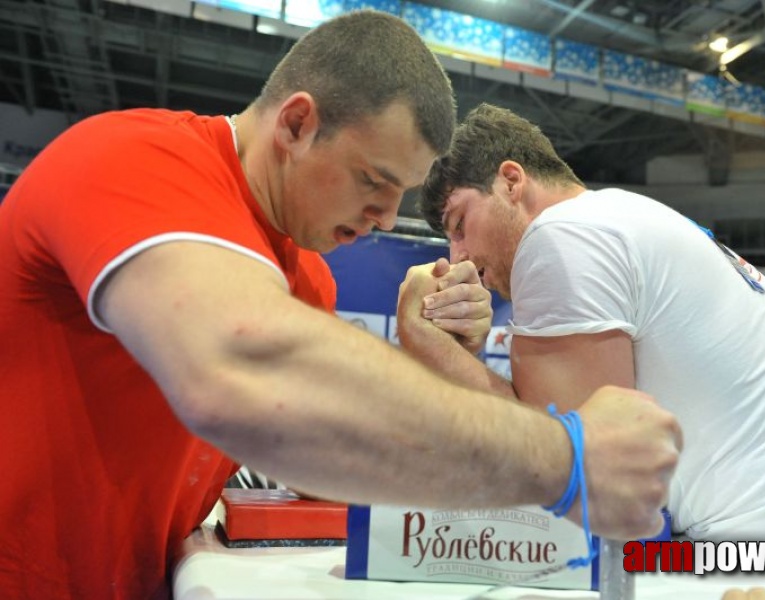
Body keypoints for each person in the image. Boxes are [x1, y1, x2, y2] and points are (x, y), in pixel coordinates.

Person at [0, 12, 683, 600]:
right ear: (297, 123)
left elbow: (320, 442)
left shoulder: (304, 278)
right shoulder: (135, 158)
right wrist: (567, 458)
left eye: (400, 193)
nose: (386, 219)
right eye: (373, 181)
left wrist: (430, 352)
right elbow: (247, 371)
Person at [397, 103, 765, 596]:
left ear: (512, 181)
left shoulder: (562, 236)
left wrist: (428, 344)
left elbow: (570, 470)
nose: (457, 255)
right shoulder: (624, 214)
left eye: (460, 223)